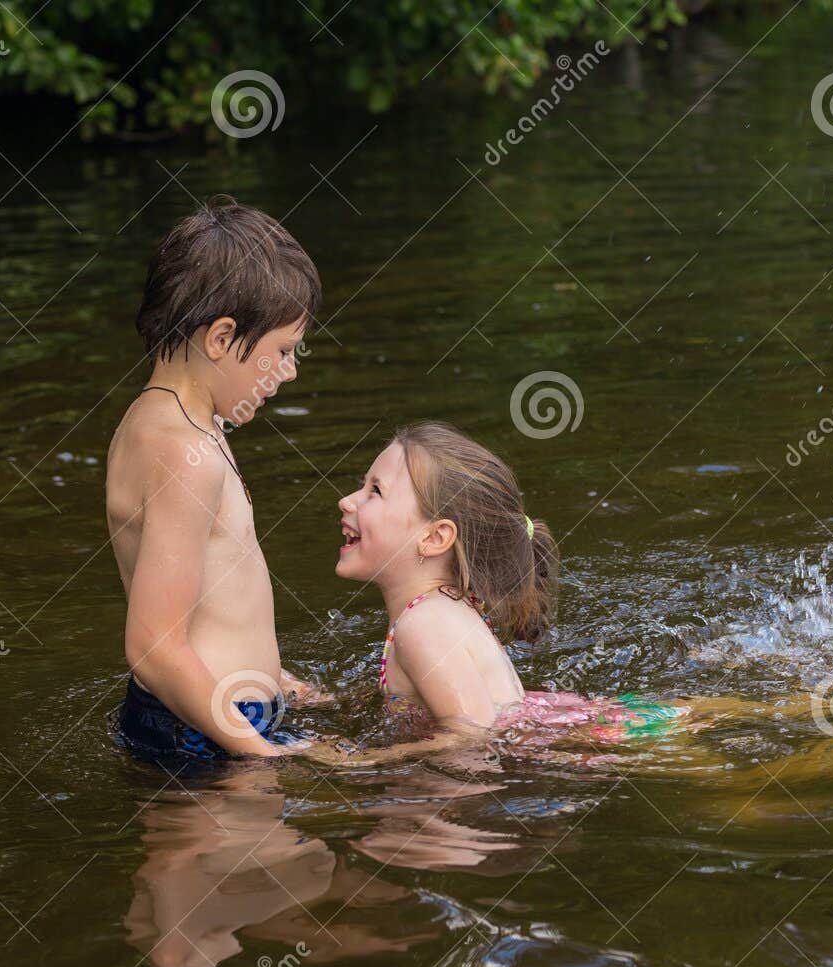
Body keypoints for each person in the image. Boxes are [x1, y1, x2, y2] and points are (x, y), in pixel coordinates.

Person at [332, 421, 689, 762]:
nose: (347, 501)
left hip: (590, 740)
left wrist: (357, 760)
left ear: (435, 538)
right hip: (599, 722)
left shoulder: (422, 625)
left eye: (375, 491)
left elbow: (472, 739)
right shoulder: (441, 609)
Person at [107, 195, 322, 761]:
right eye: (281, 351)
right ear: (221, 338)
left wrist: (278, 678)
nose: (290, 370)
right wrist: (260, 752)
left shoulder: (168, 422)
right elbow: (154, 645)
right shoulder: (184, 454)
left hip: (212, 714)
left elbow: (212, 599)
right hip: (205, 729)